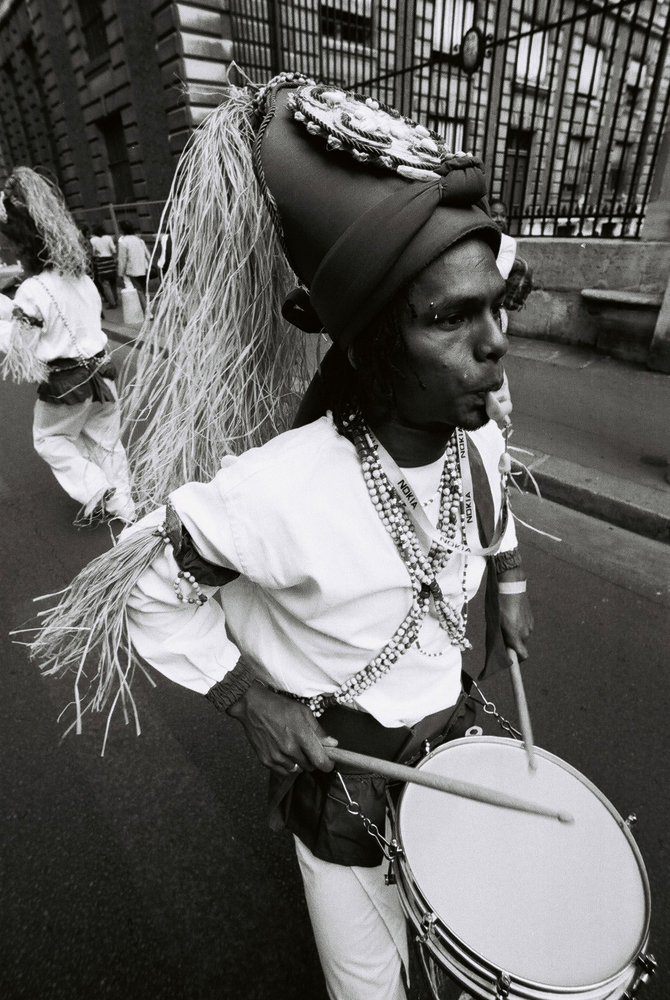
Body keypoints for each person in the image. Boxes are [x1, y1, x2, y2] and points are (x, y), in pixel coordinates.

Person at [33, 77, 533, 1000]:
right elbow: (137, 579)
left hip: (453, 742)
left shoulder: (481, 437)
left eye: (501, 307)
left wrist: (506, 582)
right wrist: (248, 698)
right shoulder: (280, 491)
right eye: (452, 317)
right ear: (375, 340)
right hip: (344, 779)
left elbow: (493, 500)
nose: (495, 343)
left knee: (478, 948)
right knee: (374, 984)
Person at [0, 167, 135, 525]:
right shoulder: (82, 279)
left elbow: (21, 350)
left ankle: (95, 488)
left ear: (24, 244)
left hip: (67, 385)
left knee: (50, 440)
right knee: (106, 442)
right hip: (103, 373)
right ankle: (125, 506)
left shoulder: (33, 290)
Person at [116, 219, 150, 313]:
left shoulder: (123, 242)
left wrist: (120, 273)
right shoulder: (139, 240)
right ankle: (148, 307)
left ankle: (147, 311)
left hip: (132, 269)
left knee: (139, 290)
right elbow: (148, 254)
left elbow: (122, 259)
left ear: (122, 230)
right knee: (144, 289)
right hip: (144, 267)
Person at [90, 222, 118, 309]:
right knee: (113, 281)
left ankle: (111, 302)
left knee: (105, 284)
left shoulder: (93, 240)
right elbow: (114, 250)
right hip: (110, 261)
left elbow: (94, 252)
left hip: (101, 262)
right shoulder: (109, 238)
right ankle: (115, 299)